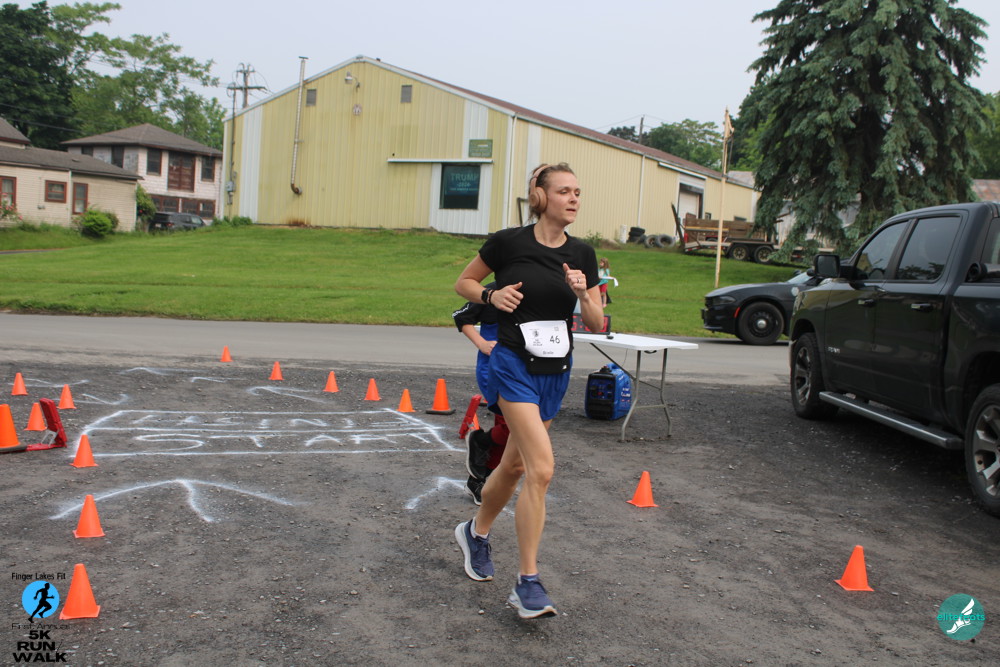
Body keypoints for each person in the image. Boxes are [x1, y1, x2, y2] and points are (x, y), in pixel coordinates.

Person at [452, 162, 603, 619]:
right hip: (512, 364)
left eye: (577, 192)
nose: (573, 199)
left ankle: (475, 533)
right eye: (563, 191)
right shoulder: (508, 242)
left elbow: (596, 322)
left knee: (516, 466)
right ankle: (528, 583)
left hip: (554, 370)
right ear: (539, 197)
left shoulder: (583, 253)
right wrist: (491, 296)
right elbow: (464, 283)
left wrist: (583, 294)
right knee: (542, 469)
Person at [451, 283, 510, 505]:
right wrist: (482, 343)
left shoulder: (535, 288)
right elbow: (461, 316)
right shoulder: (493, 291)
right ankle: (481, 441)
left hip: (523, 370)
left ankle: (479, 480)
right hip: (493, 370)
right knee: (512, 428)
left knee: (509, 431)